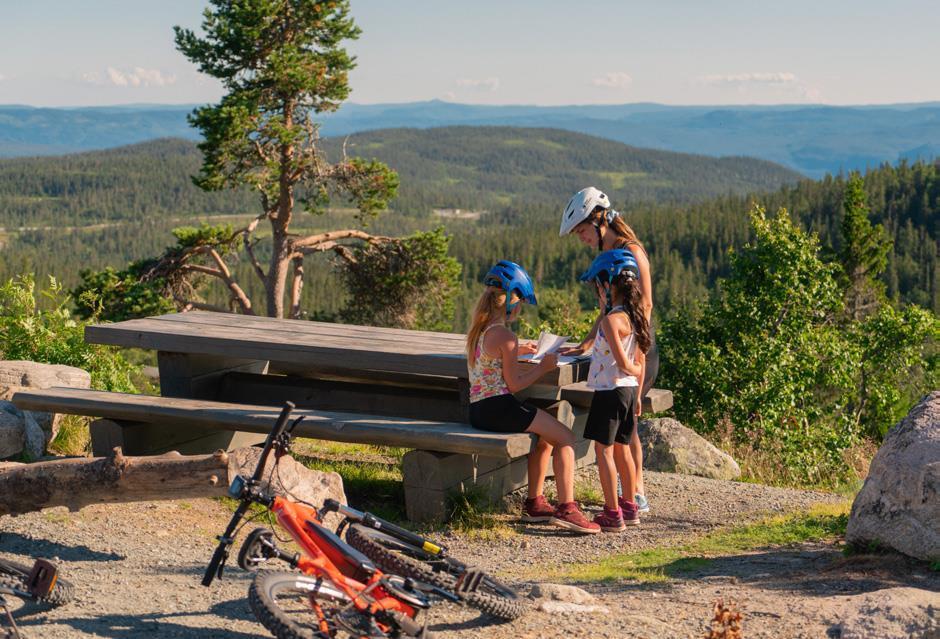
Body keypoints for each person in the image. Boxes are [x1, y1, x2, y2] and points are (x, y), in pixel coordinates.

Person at [466, 260, 600, 534]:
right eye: (521, 303)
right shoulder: (505, 335)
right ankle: (567, 509)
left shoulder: (480, 330)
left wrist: (520, 350)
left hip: (480, 410)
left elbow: (496, 363)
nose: (521, 309)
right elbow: (514, 385)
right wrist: (543, 367)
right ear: (512, 303)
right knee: (565, 437)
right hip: (499, 408)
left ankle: (535, 504)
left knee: (547, 436)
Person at [559, 187, 658, 513]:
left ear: (599, 220)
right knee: (624, 426)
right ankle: (629, 493)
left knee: (627, 428)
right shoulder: (609, 252)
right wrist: (587, 343)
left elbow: (645, 304)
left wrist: (636, 356)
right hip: (627, 346)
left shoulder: (631, 251)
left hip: (638, 346)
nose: (581, 239)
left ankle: (635, 493)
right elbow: (607, 310)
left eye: (582, 231)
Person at [579, 249, 651, 530]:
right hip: (629, 392)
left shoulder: (612, 320)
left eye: (598, 286)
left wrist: (631, 371)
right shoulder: (634, 316)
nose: (597, 292)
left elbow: (625, 362)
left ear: (608, 285)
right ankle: (630, 506)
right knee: (623, 450)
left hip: (610, 390)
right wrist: (638, 391)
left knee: (604, 451)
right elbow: (640, 360)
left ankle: (611, 512)